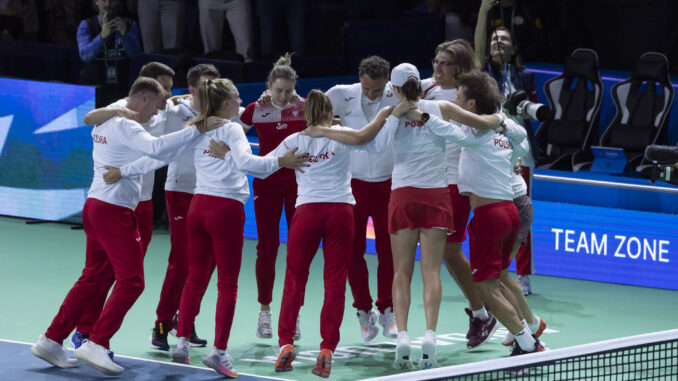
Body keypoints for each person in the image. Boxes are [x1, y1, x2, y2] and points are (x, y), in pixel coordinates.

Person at [304, 64, 503, 370]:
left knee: (402, 272)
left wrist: (395, 117)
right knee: (432, 272)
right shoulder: (442, 107)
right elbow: (480, 126)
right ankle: (431, 335)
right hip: (436, 196)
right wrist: (500, 118)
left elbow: (375, 147)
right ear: (417, 86)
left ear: (394, 90)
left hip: (403, 197)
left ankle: (403, 337)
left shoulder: (389, 114)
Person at [30, 77, 202, 376]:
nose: (156, 114)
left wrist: (188, 134)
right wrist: (196, 129)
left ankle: (51, 339)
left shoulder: (111, 116)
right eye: (157, 104)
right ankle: (97, 342)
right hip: (113, 211)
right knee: (132, 281)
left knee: (93, 278)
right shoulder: (127, 124)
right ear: (145, 99)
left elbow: (156, 154)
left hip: (96, 205)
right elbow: (156, 146)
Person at [401, 70, 546, 358]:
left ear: (470, 105)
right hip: (508, 213)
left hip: (490, 217)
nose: (454, 100)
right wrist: (502, 121)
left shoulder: (475, 137)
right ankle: (529, 331)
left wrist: (418, 113)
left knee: (487, 287)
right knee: (497, 279)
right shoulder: (503, 133)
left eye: (459, 97)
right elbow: (522, 141)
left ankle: (529, 344)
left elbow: (443, 129)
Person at [258, 89, 396, 378]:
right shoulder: (342, 134)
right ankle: (326, 349)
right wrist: (384, 114)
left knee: (295, 278)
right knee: (334, 280)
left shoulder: (294, 140)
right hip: (339, 213)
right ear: (328, 111)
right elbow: (367, 139)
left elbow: (259, 168)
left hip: (306, 213)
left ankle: (285, 343)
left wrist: (279, 162)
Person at [68, 62, 176, 356]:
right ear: (147, 89)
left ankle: (94, 337)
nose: (168, 94)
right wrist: (117, 111)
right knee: (107, 274)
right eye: (164, 88)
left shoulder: (166, 108)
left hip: (141, 205)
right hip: (114, 203)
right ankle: (85, 333)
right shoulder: (123, 109)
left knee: (123, 275)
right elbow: (90, 117)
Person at [422, 39, 499, 349]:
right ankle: (485, 313)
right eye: (436, 61)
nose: (437, 68)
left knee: (449, 251)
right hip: (429, 181)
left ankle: (485, 313)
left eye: (444, 63)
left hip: (457, 182)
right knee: (445, 253)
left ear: (460, 67)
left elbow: (494, 124)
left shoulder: (470, 95)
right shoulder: (426, 89)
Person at [325, 55, 399, 342]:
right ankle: (363, 310)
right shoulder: (338, 94)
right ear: (360, 78)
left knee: (388, 251)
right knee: (351, 252)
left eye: (377, 90)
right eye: (367, 88)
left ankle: (388, 308)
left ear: (387, 82)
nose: (371, 93)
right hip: (350, 186)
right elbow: (307, 109)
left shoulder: (398, 93)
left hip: (388, 185)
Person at [239, 53, 307, 341]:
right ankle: (265, 311)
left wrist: (298, 100)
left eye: (288, 91)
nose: (282, 96)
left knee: (298, 250)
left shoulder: (304, 108)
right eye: (278, 90)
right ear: (269, 86)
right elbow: (236, 136)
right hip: (266, 185)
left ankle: (293, 314)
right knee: (267, 249)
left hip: (299, 187)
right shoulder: (256, 109)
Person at [475, 1, 539, 294]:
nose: (497, 43)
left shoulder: (525, 77)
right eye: (493, 40)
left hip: (521, 150)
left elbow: (531, 113)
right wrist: (485, 10)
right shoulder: (484, 74)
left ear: (514, 49)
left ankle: (522, 275)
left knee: (523, 211)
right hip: (490, 150)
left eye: (504, 40)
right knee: (495, 212)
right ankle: (494, 268)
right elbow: (477, 47)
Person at [77, 0, 141, 107]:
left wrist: (124, 35)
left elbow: (134, 55)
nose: (107, 4)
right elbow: (85, 55)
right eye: (103, 0)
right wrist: (102, 37)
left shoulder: (129, 25)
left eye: (111, 0)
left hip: (121, 88)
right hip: (93, 90)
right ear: (96, 2)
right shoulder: (87, 25)